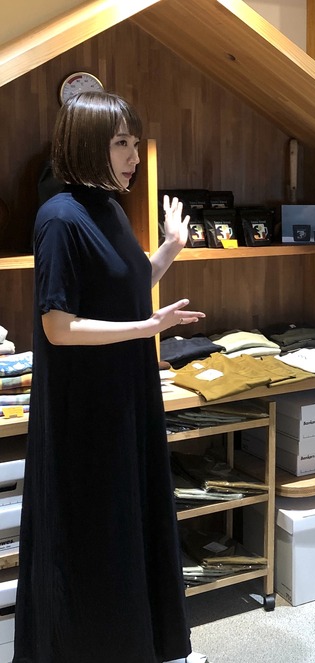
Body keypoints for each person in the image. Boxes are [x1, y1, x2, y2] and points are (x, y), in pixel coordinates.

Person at [14, 91, 207, 662]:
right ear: (86, 144)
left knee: (130, 528)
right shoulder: (58, 219)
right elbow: (59, 327)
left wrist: (171, 248)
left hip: (126, 395)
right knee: (93, 539)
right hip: (85, 412)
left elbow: (128, 284)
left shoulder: (109, 208)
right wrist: (147, 327)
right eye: (122, 143)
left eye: (134, 143)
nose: (134, 157)